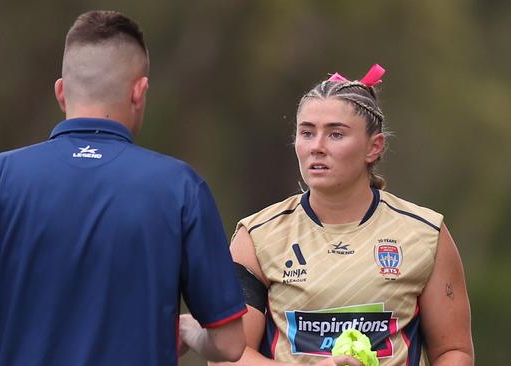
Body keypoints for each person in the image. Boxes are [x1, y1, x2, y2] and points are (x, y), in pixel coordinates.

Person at [0, 10, 247, 365]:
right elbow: (231, 344)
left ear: (61, 93)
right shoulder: (180, 188)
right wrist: (191, 333)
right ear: (139, 92)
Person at [183, 65, 474, 366]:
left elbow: (454, 352)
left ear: (374, 147)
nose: (317, 147)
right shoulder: (256, 236)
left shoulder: (425, 233)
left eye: (335, 134)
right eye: (307, 132)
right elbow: (228, 357)